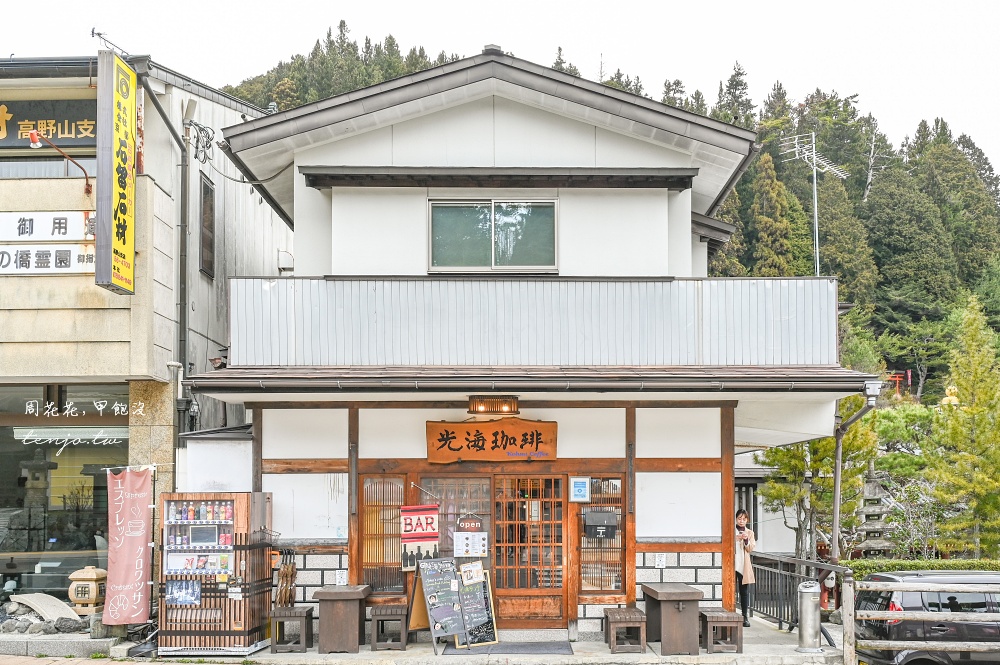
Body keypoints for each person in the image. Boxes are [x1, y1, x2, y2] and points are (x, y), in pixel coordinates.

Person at [735, 508, 756, 627]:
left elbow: (750, 548)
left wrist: (746, 539)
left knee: (744, 592)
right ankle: (730, 614)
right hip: (732, 564)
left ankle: (744, 616)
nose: (741, 521)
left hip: (743, 565)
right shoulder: (731, 530)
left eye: (744, 519)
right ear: (736, 519)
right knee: (730, 590)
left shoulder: (750, 532)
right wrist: (735, 538)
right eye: (739, 518)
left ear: (747, 520)